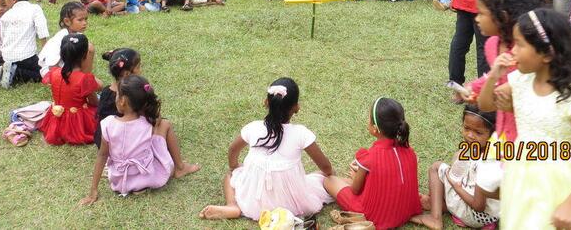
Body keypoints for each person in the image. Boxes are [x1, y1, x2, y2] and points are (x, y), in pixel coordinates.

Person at [484, 9, 571, 229]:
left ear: (547, 54)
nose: (514, 51)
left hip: (563, 183)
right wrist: (494, 74)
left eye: (520, 45)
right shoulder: (521, 79)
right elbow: (485, 105)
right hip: (523, 174)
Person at [199, 78, 333, 221]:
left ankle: (232, 205)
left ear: (266, 102)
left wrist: (234, 167)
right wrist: (329, 173)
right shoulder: (301, 133)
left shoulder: (253, 127)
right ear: (296, 108)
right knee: (322, 177)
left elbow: (233, 150)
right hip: (293, 202)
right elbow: (325, 166)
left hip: (254, 201)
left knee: (231, 176)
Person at [81, 75, 199, 204]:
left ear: (122, 101)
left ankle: (134, 183)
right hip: (149, 176)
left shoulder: (108, 124)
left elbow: (102, 155)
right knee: (166, 124)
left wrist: (93, 190)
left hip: (119, 181)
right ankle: (180, 168)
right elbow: (158, 120)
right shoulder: (148, 123)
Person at [323, 97, 422, 229]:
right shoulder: (409, 152)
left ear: (375, 129)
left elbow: (355, 190)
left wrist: (356, 178)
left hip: (374, 215)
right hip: (404, 210)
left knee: (329, 180)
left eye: (369, 118)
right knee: (347, 180)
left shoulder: (370, 157)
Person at [470, 0, 548, 142]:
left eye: (481, 13)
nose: (476, 18)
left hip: (531, 137)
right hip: (503, 133)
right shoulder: (492, 45)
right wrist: (474, 87)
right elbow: (495, 77)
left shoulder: (528, 53)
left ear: (502, 17)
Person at [412, 106, 501, 229]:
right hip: (492, 214)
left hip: (476, 215)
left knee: (436, 167)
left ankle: (435, 218)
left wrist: (456, 186)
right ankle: (439, 202)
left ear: (492, 134)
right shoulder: (495, 152)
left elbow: (478, 206)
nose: (470, 135)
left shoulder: (486, 167)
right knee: (459, 158)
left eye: (478, 132)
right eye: (466, 128)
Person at [38, 34, 101, 145]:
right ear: (85, 55)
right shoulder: (84, 78)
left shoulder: (54, 73)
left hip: (56, 120)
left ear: (62, 54)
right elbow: (94, 102)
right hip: (77, 122)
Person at [0, 0, 49, 88]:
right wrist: (45, 55)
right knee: (44, 75)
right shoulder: (35, 8)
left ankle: (5, 69)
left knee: (33, 68)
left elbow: (4, 37)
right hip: (27, 57)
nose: (5, 1)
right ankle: (15, 73)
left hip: (7, 57)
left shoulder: (5, 16)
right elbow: (42, 32)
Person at [94, 48, 141, 147]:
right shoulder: (132, 94)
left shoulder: (106, 91)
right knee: (163, 125)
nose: (141, 70)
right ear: (127, 74)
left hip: (103, 140)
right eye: (138, 67)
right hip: (122, 142)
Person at [39, 2, 89, 77]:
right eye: (80, 20)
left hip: (64, 67)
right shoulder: (60, 38)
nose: (85, 23)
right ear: (67, 21)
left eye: (85, 19)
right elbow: (52, 65)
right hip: (50, 71)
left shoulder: (79, 36)